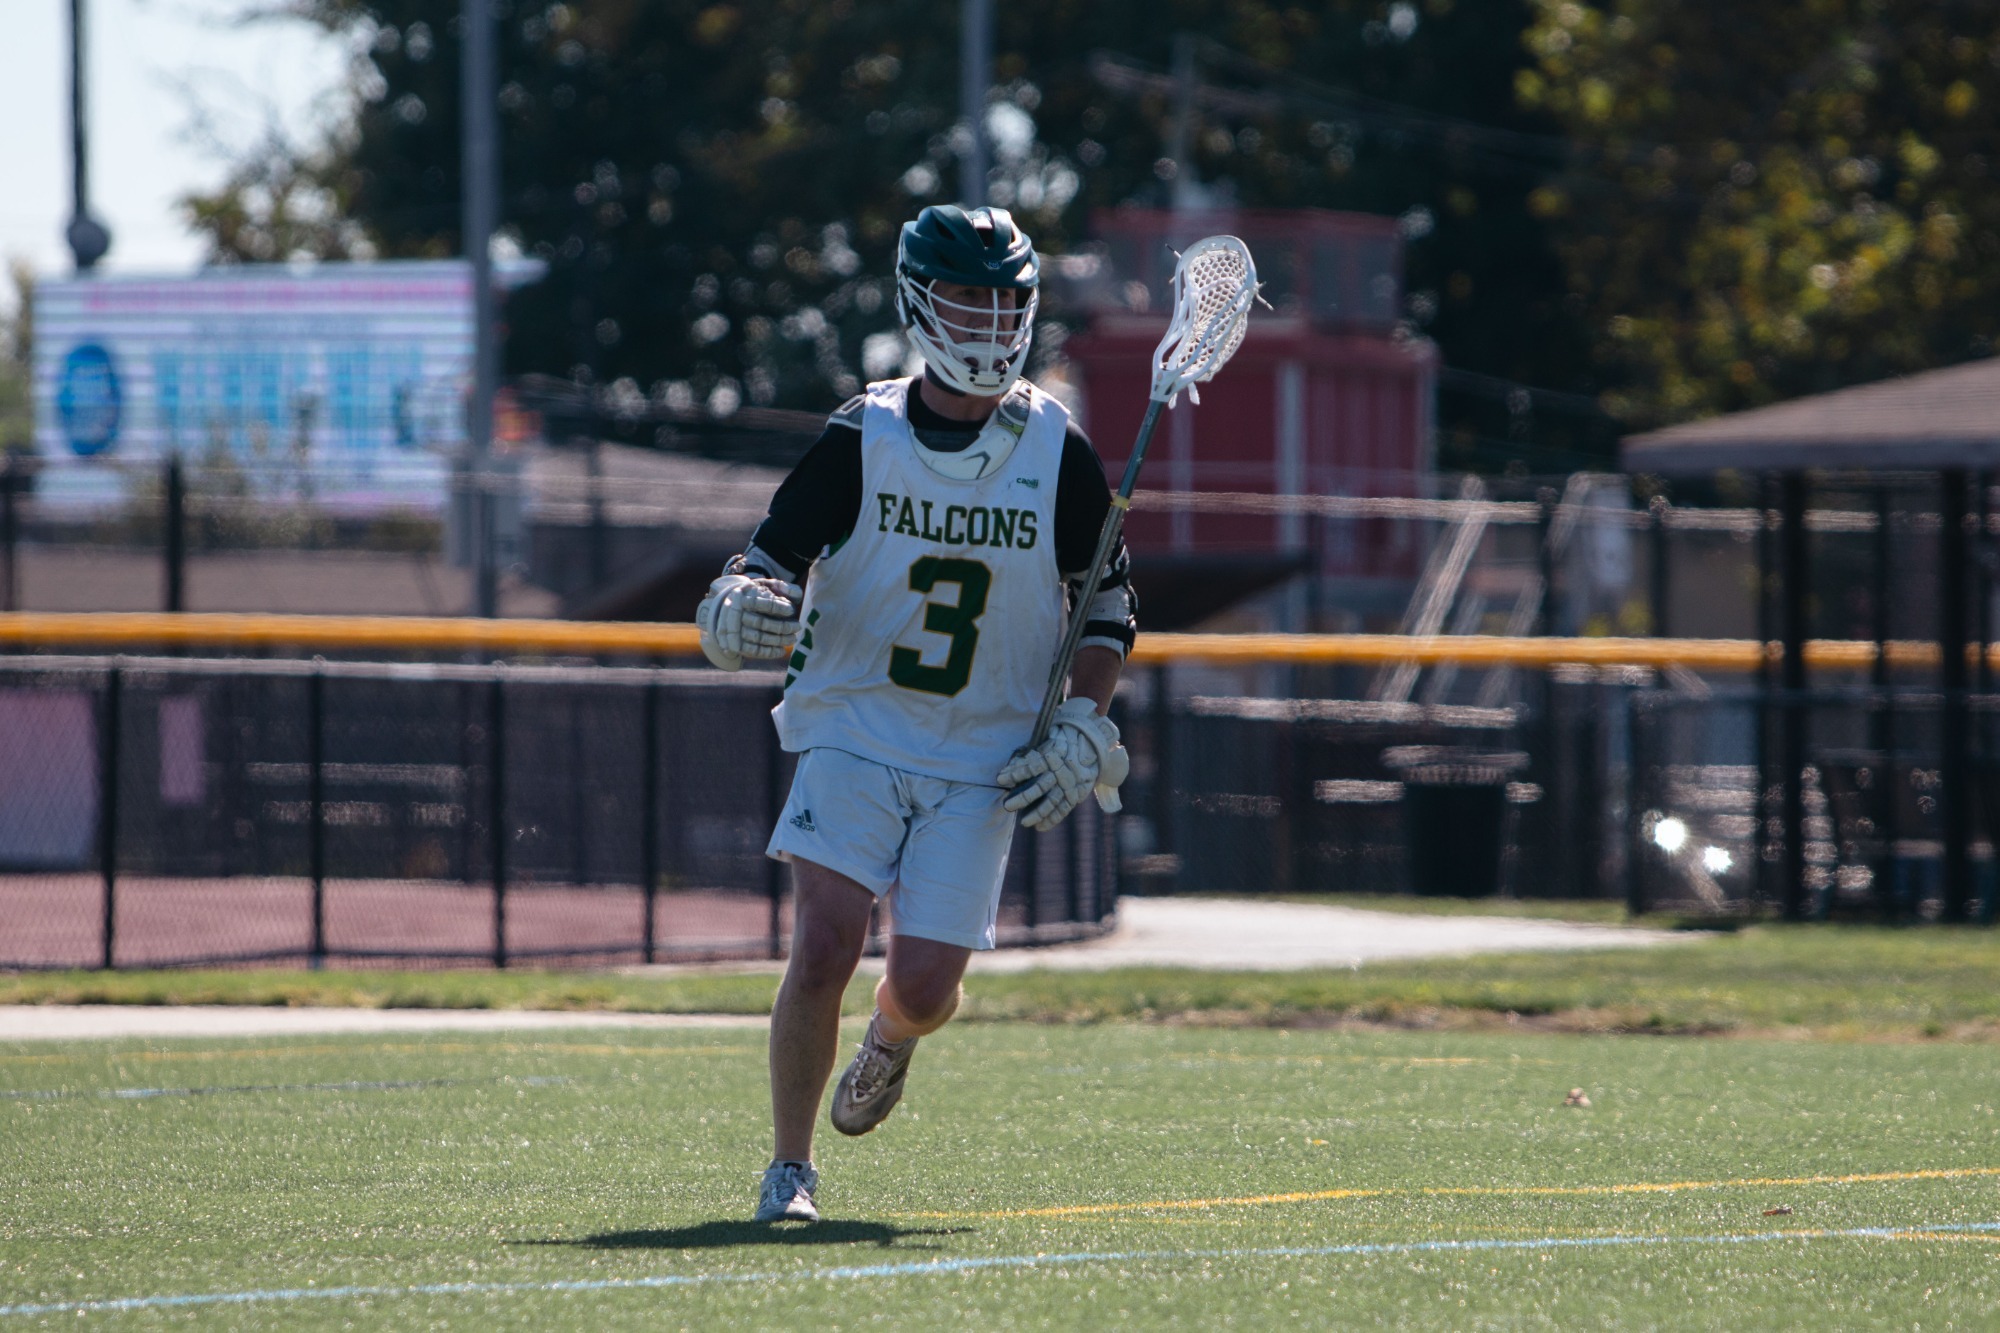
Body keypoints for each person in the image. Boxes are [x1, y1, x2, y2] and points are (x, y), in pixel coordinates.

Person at [695, 204, 1137, 1224]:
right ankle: (788, 1168)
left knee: (928, 986)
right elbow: (762, 567)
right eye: (962, 300)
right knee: (825, 941)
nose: (984, 323)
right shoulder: (865, 435)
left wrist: (1081, 721)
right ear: (917, 304)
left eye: (1001, 303)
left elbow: (1107, 598)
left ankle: (891, 1037)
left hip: (984, 747)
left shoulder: (1056, 450)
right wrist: (735, 612)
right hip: (854, 722)